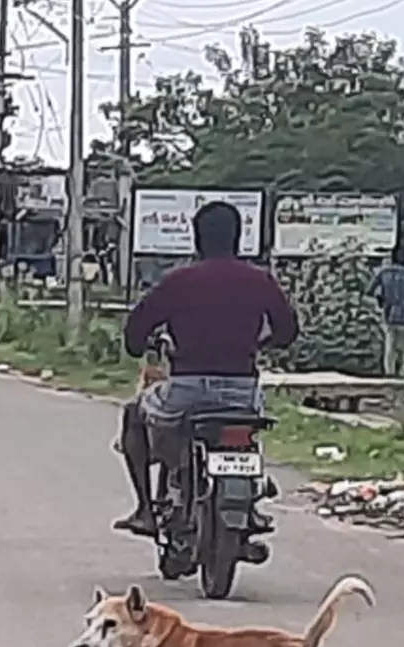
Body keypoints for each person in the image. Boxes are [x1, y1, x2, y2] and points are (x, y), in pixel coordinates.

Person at [113, 200, 299, 537]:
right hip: (243, 393)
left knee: (133, 415)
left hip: (187, 391)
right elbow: (287, 332)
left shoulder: (179, 281)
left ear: (196, 238)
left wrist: (143, 346)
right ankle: (250, 504)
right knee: (247, 436)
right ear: (239, 238)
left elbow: (135, 331)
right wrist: (260, 345)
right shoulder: (260, 281)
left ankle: (144, 510)